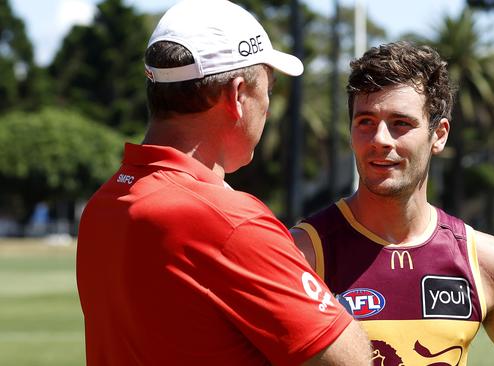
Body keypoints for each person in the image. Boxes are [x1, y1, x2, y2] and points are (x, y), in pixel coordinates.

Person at [76, 1, 371, 365]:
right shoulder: (230, 221)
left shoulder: (103, 205)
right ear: (237, 96)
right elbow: (352, 360)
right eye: (269, 88)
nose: (267, 104)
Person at [291, 41, 494, 366]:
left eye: (400, 124)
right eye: (365, 122)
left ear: (440, 135)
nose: (380, 139)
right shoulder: (301, 256)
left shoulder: (486, 263)